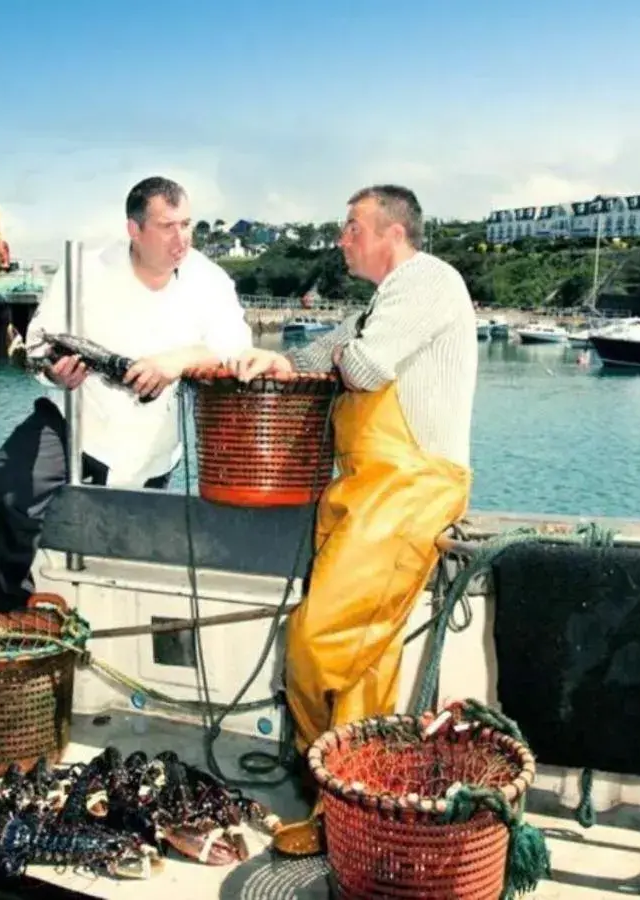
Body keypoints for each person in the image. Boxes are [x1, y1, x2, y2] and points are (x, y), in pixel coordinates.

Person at [230, 184, 478, 761]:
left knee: (319, 643)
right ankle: (348, 799)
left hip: (411, 487)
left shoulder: (427, 279)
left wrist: (342, 352)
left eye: (353, 227)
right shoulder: (384, 301)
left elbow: (363, 366)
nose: (342, 239)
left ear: (394, 233)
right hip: (369, 489)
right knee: (367, 663)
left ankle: (333, 779)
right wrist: (280, 361)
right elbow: (321, 355)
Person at [0, 176, 255, 613]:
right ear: (134, 230)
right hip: (76, 415)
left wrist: (175, 360)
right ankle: (8, 611)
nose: (181, 239)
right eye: (167, 226)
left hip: (154, 441)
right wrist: (56, 372)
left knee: (130, 553)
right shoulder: (85, 267)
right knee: (1, 488)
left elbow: (237, 349)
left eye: (187, 224)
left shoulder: (210, 280)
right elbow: (40, 341)